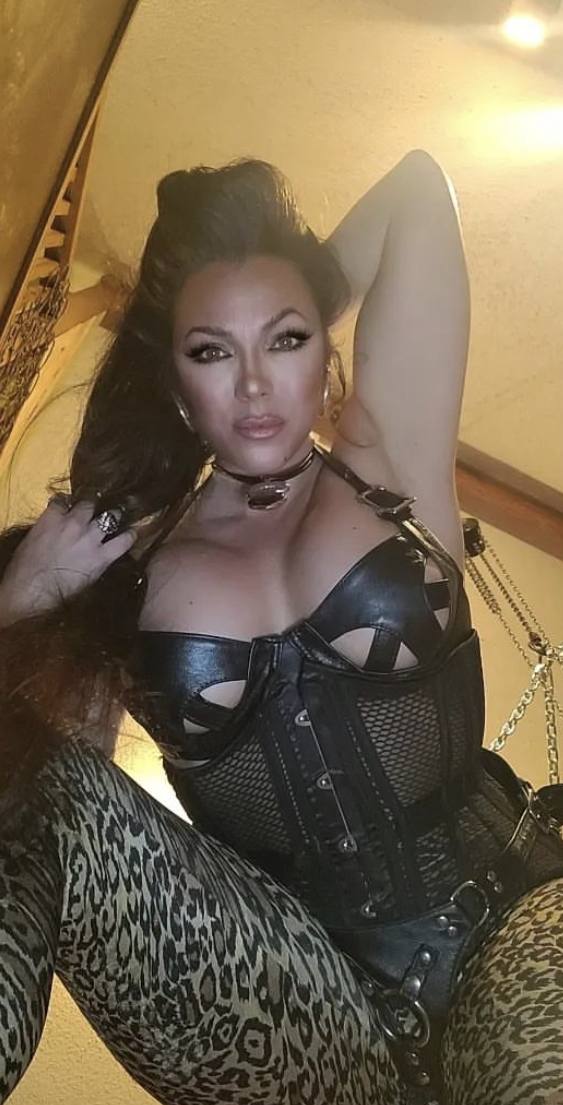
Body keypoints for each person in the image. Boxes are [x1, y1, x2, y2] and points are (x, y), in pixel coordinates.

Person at [0, 153, 562, 1105]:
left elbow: (418, 193)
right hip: (291, 997)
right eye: (212, 352)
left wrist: (285, 283)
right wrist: (19, 604)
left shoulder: (389, 463)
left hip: (506, 920)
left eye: (286, 340)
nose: (255, 384)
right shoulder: (128, 571)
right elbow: (58, 819)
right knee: (34, 783)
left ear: (324, 351)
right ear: (176, 381)